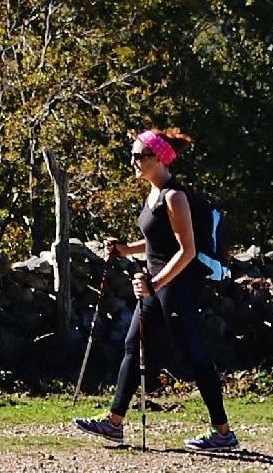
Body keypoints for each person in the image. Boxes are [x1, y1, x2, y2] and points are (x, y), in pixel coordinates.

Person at [71, 127, 240, 452]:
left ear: (159, 158)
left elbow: (186, 250)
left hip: (176, 288)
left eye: (140, 155)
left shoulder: (174, 196)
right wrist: (124, 250)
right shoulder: (152, 195)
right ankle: (114, 423)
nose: (133, 160)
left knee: (194, 356)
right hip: (155, 288)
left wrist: (155, 282)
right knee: (133, 347)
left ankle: (223, 433)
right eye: (133, 155)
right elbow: (155, 244)